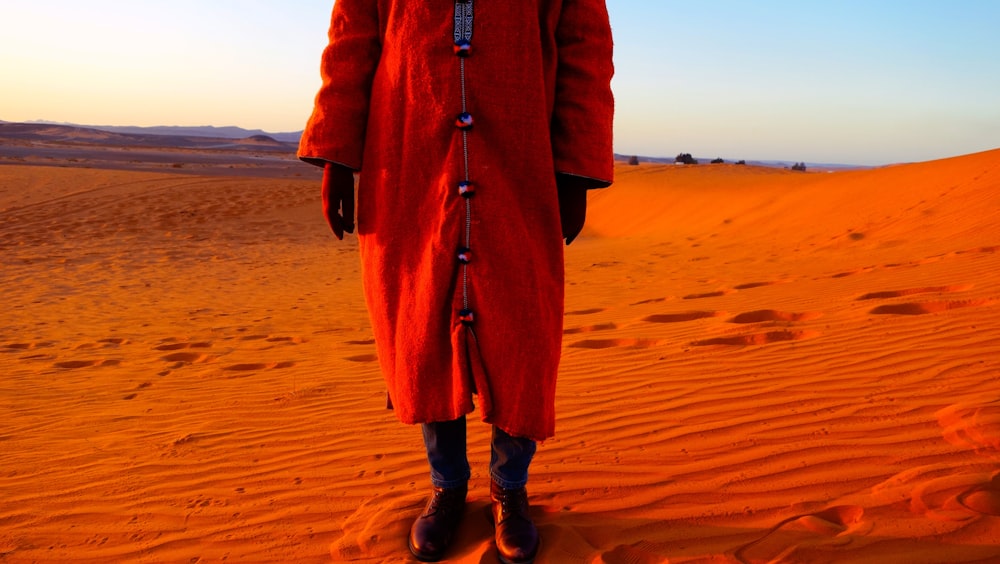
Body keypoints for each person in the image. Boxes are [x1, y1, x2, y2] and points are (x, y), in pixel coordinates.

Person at [298, 1, 613, 562]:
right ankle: (447, 486)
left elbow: (585, 45)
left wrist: (575, 165)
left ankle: (509, 490)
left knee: (522, 332)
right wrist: (336, 153)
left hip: (522, 161)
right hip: (409, 158)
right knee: (423, 322)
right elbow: (352, 41)